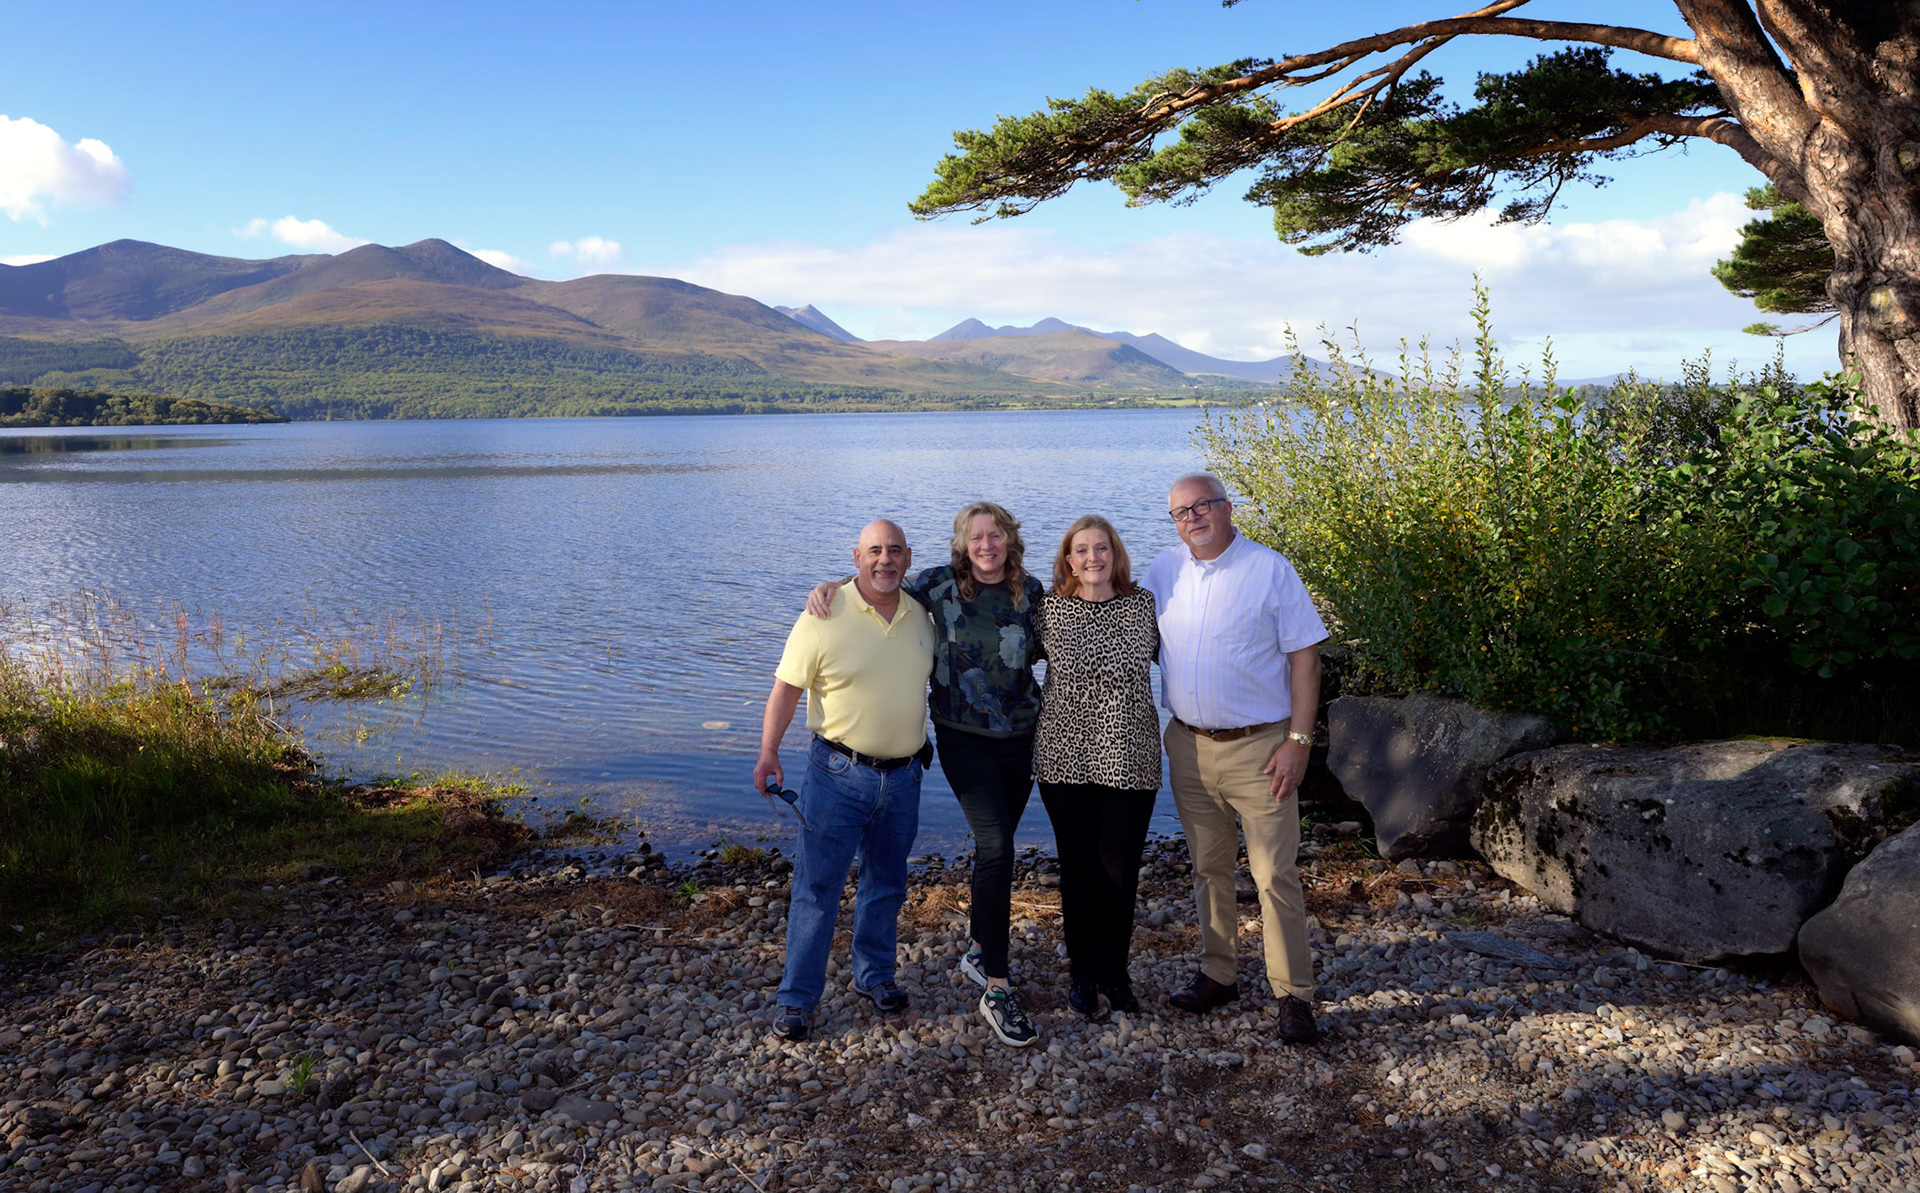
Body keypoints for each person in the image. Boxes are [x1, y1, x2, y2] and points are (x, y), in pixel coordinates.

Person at [805, 501, 1044, 1048]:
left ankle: (981, 948)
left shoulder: (1032, 594)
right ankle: (997, 987)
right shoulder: (937, 585)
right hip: (963, 739)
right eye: (975, 537)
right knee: (998, 845)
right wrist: (832, 586)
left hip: (1023, 740)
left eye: (996, 536)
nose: (986, 545)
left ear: (1010, 540)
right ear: (963, 544)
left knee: (995, 850)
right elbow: (878, 583)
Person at [1145, 473, 1328, 1045]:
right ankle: (1219, 972)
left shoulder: (1269, 569)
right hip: (1189, 746)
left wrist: (1299, 742)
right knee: (1208, 868)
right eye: (1180, 511)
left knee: (1275, 874)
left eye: (1203, 506)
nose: (1192, 518)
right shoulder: (1162, 571)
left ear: (1227, 508)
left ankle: (1293, 995)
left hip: (1262, 749)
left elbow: (1306, 659)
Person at [753, 518, 936, 1043]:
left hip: (904, 778)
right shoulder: (823, 612)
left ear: (908, 557)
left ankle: (875, 976)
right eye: (875, 551)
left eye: (895, 551)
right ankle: (797, 1000)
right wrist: (768, 753)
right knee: (816, 888)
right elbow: (786, 689)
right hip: (836, 775)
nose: (885, 560)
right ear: (855, 556)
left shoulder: (922, 613)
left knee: (887, 883)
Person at [1031, 515, 1161, 1020]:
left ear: (1116, 554)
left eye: (1101, 548)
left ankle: (1116, 973)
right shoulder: (1049, 611)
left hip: (1130, 756)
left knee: (1120, 870)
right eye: (1081, 550)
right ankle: (1083, 974)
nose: (1092, 558)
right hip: (1063, 757)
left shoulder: (1143, 606)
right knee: (1078, 868)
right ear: (1068, 559)